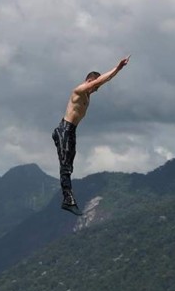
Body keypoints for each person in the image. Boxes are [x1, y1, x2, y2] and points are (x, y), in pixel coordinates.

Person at [52, 56, 130, 214]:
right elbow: (101, 81)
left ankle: (68, 197)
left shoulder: (87, 96)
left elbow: (100, 82)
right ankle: (68, 199)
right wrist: (118, 68)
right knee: (65, 165)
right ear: (90, 81)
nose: (95, 90)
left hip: (71, 130)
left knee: (69, 164)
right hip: (64, 129)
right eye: (94, 86)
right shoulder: (80, 90)